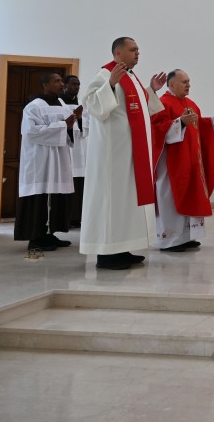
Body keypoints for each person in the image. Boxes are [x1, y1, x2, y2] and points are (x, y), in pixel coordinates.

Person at [80, 37, 167, 270]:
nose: (138, 53)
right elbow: (91, 104)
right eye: (133, 49)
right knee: (113, 201)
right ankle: (107, 254)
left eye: (138, 49)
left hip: (130, 154)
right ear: (118, 53)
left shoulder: (131, 77)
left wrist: (151, 90)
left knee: (127, 203)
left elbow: (138, 108)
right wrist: (110, 84)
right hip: (112, 156)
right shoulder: (104, 75)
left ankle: (123, 248)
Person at [151, 69, 214, 252]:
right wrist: (180, 123)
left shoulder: (191, 104)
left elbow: (198, 125)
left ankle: (186, 237)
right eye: (184, 82)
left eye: (189, 81)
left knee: (190, 195)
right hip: (171, 163)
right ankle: (170, 240)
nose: (188, 85)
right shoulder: (162, 103)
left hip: (191, 161)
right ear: (171, 84)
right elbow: (157, 129)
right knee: (170, 198)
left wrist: (213, 121)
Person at [15, 72, 77, 251]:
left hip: (59, 158)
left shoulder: (62, 105)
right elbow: (31, 132)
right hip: (40, 159)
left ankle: (49, 234)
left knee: (56, 196)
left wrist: (73, 123)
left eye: (61, 81)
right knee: (39, 196)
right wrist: (63, 125)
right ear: (45, 85)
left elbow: (71, 130)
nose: (61, 84)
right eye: (56, 81)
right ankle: (35, 237)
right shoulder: (34, 106)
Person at [59, 74, 87, 228]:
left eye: (78, 85)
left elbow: (87, 128)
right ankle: (64, 219)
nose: (76, 87)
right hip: (65, 149)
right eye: (73, 84)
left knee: (79, 185)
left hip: (79, 151)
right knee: (65, 184)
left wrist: (80, 118)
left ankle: (77, 218)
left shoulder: (82, 104)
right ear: (64, 85)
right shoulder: (59, 104)